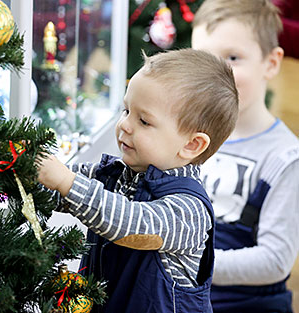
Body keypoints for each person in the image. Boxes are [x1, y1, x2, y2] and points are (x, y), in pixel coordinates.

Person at [37, 48, 238, 313]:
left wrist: (67, 182)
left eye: (144, 121)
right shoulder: (113, 174)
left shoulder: (189, 211)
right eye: (126, 110)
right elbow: (55, 188)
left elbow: (132, 225)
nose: (125, 125)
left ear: (191, 144)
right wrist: (29, 168)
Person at [191, 0, 299, 312]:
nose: (217, 74)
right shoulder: (187, 137)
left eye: (233, 58)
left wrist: (191, 258)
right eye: (205, 59)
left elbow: (275, 260)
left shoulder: (285, 157)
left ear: (271, 62)